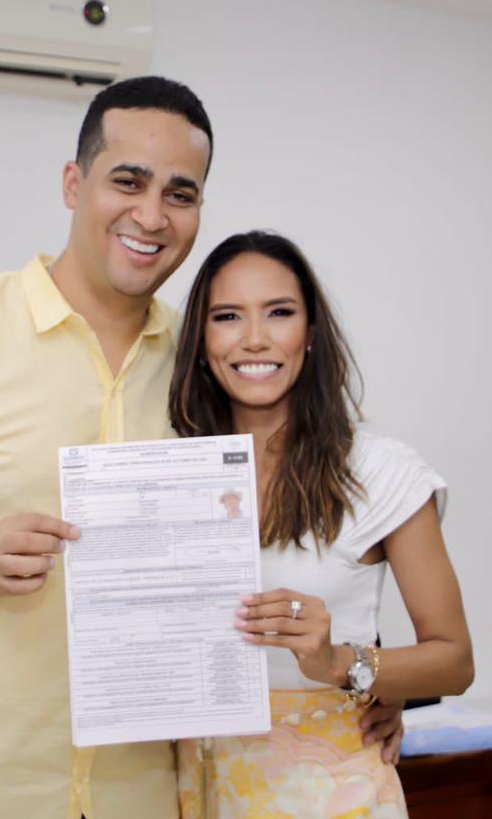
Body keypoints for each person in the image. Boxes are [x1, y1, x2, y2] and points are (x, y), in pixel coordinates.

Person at [0, 78, 405, 819]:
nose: (151, 215)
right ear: (74, 183)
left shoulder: (203, 363)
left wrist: (365, 684)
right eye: (128, 181)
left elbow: (276, 537)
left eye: (180, 194)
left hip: (138, 794)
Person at [168, 231, 474, 818]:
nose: (254, 338)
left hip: (332, 793)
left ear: (310, 331)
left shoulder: (380, 471)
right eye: (227, 316)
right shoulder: (166, 472)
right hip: (193, 788)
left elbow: (455, 660)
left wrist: (343, 663)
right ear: (201, 342)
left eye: (279, 312)